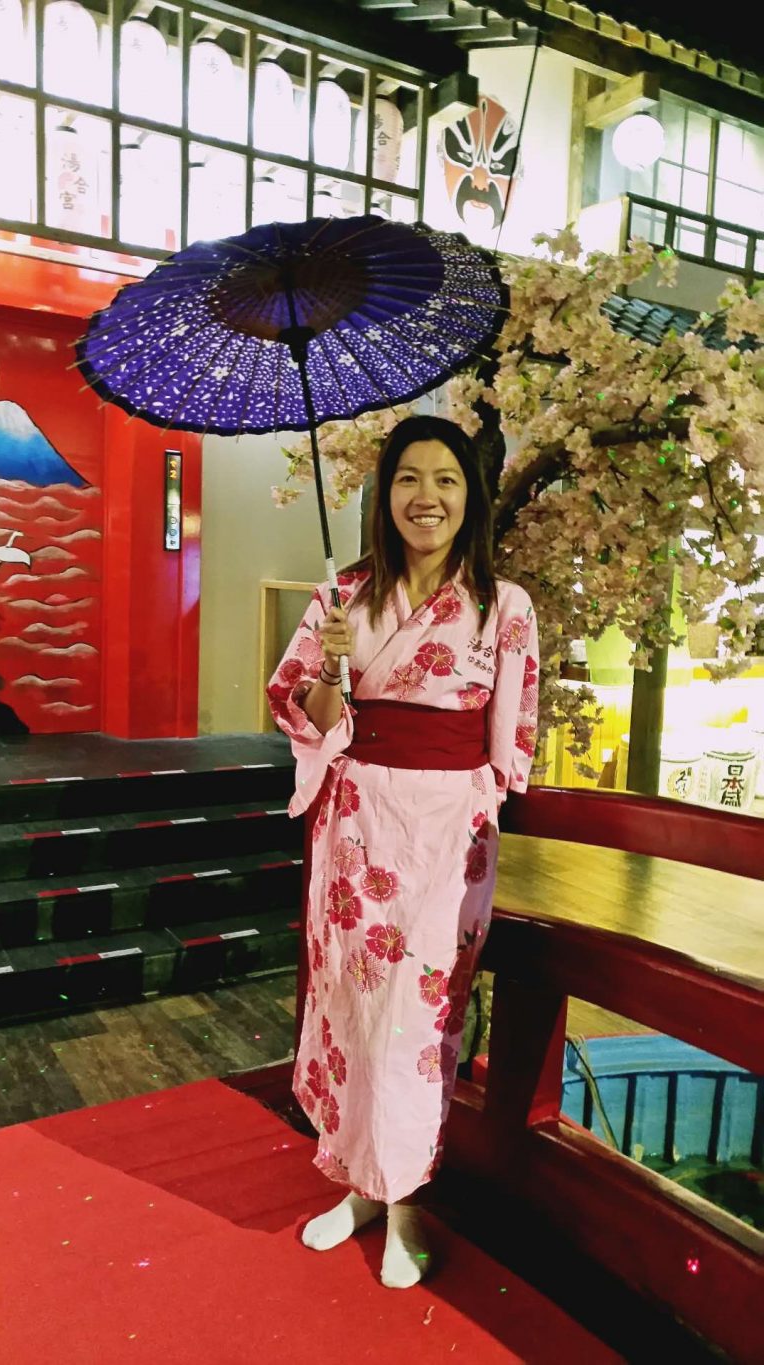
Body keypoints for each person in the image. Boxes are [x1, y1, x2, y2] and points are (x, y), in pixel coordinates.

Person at [267, 415, 538, 1289]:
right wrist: (331, 666)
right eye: (409, 479)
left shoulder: (505, 604)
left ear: (470, 497)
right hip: (356, 822)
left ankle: (408, 1197)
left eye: (447, 480)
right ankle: (356, 1182)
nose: (427, 497)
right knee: (351, 1006)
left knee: (419, 1019)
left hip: (448, 827)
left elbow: (511, 738)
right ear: (385, 496)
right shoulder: (343, 592)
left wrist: (484, 816)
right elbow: (302, 708)